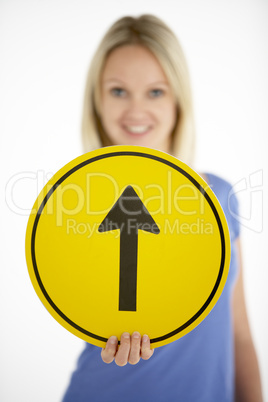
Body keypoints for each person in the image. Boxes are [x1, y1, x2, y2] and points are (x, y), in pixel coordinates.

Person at [62, 14, 263, 402]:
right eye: (118, 91)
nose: (136, 110)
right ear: (97, 101)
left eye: (155, 91)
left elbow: (238, 334)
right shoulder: (77, 209)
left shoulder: (218, 197)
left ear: (177, 101)